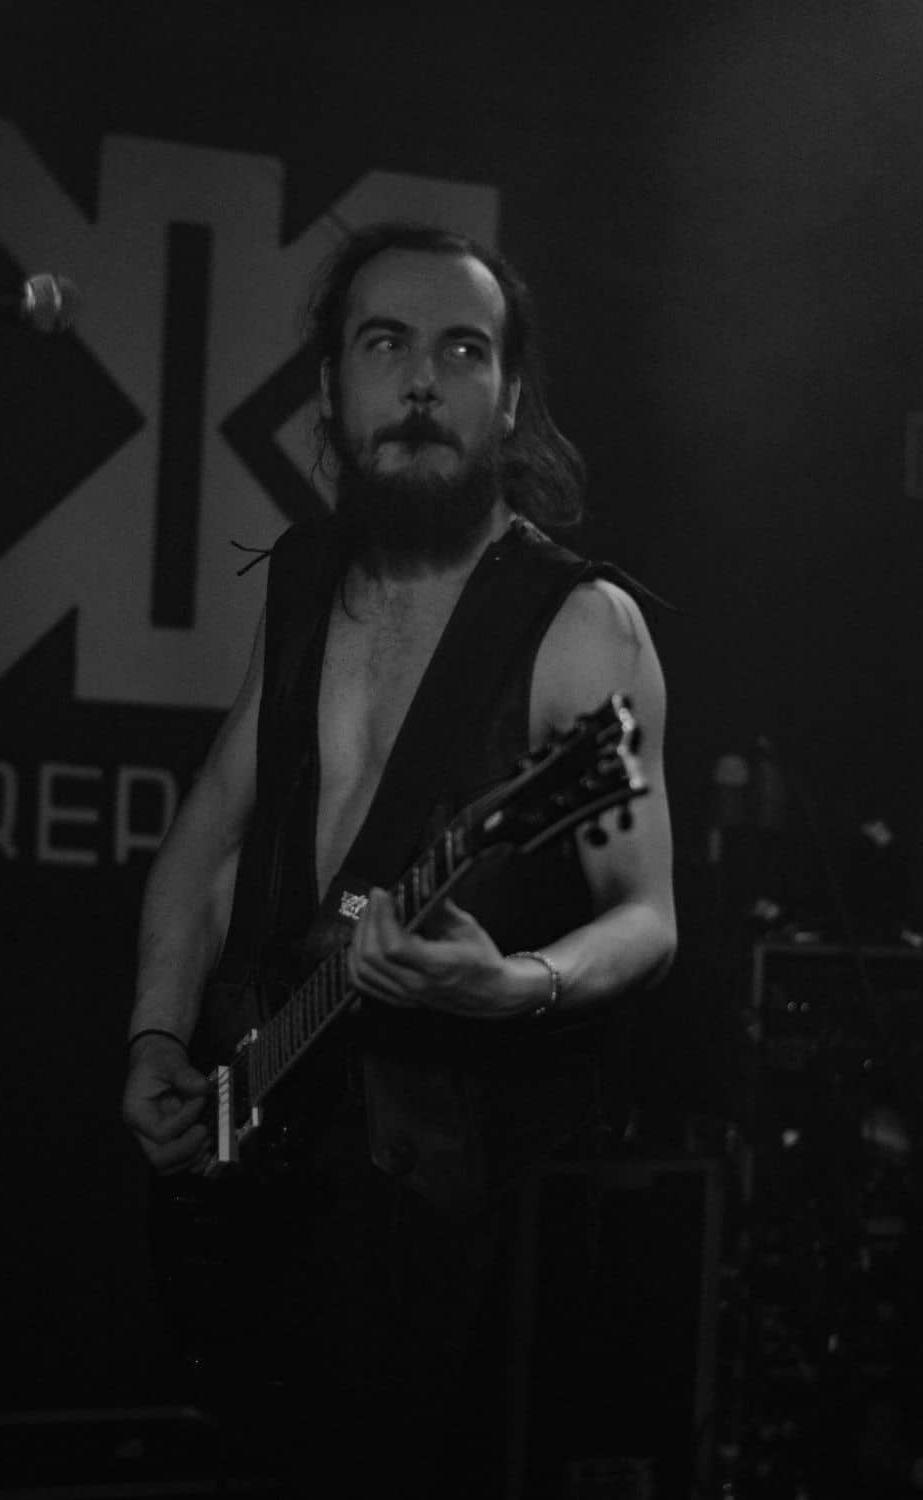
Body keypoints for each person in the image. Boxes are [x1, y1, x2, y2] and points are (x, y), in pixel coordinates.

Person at [121, 222, 676, 1498]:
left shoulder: (578, 624)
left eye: (463, 350)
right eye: (386, 344)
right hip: (257, 1153)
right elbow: (210, 835)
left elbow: (645, 915)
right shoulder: (304, 582)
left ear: (510, 396)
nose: (423, 379)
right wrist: (155, 1034)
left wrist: (515, 983)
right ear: (329, 387)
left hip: (445, 1210)